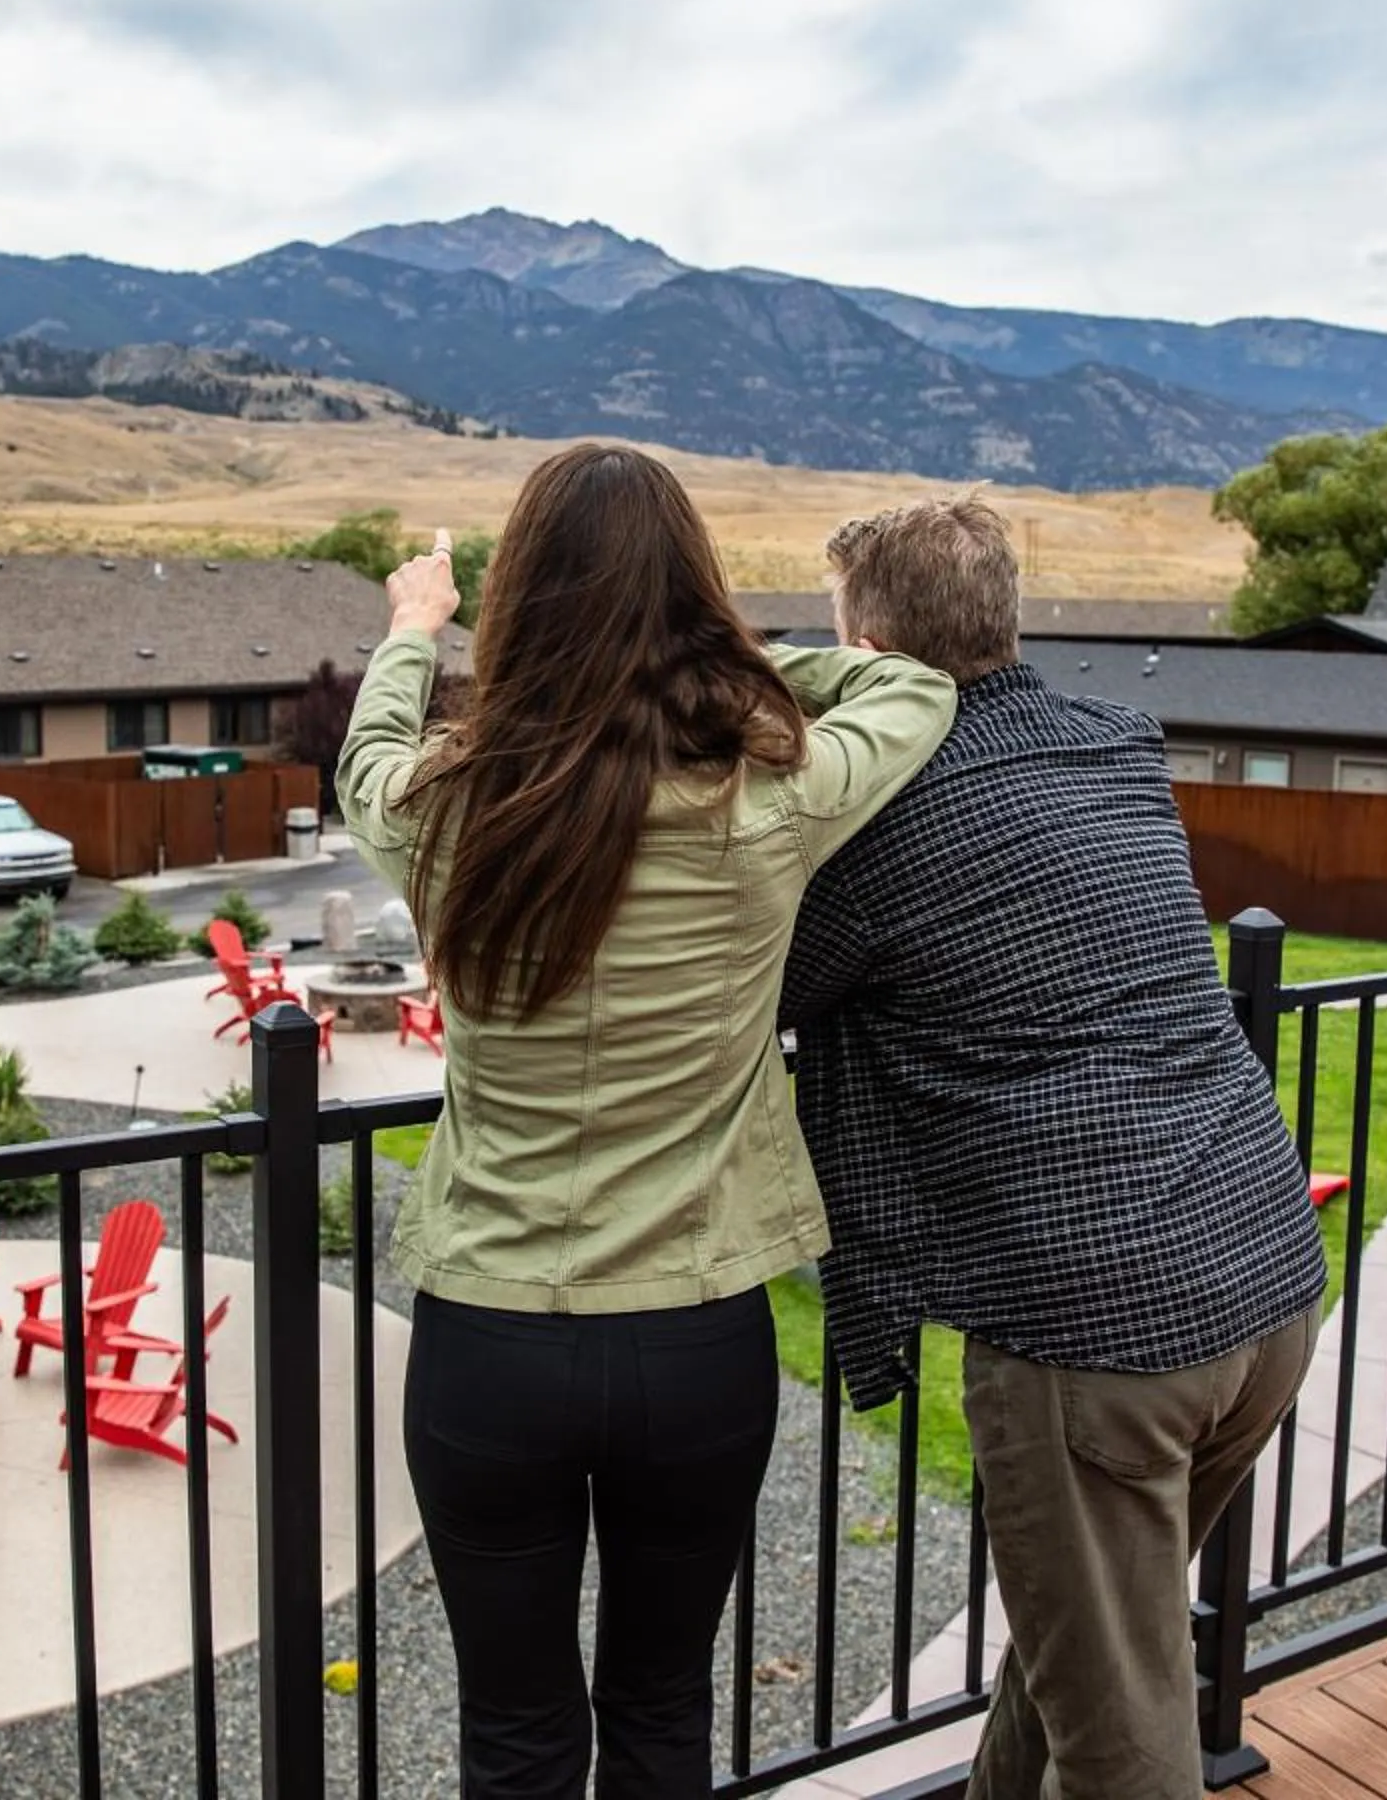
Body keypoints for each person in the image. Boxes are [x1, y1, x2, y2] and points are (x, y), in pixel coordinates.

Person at [336, 443, 957, 1798]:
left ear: (521, 604)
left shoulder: (445, 805)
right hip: (696, 1336)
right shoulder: (769, 792)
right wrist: (721, 662)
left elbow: (366, 755)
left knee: (514, 1731)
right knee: (665, 1710)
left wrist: (412, 628)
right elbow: (912, 685)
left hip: (489, 1338)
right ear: (694, 598)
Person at [778, 496, 1327, 1800]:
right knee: (1090, 1650)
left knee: (1121, 1743)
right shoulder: (1113, 747)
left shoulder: (880, 816)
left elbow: (763, 983)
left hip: (1097, 1339)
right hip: (1265, 1285)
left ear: (868, 646)